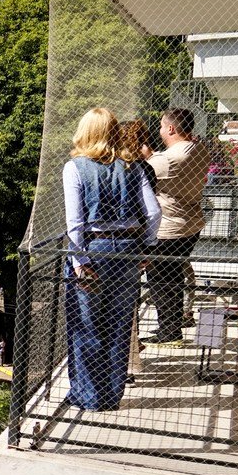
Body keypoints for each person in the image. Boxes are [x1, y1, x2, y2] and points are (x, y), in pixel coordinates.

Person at [63, 108, 161, 411]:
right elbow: (154, 212)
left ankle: (88, 396)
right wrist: (146, 247)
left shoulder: (75, 167)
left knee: (86, 324)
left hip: (93, 251)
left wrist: (79, 261)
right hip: (128, 251)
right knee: (119, 325)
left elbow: (75, 222)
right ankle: (110, 396)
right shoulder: (134, 166)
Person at [142, 108, 208, 344]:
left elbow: (142, 174)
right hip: (191, 224)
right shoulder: (199, 149)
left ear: (171, 128)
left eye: (161, 125)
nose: (159, 130)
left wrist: (146, 156)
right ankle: (173, 327)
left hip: (169, 228)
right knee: (174, 276)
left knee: (160, 281)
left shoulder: (166, 160)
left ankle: (169, 333)